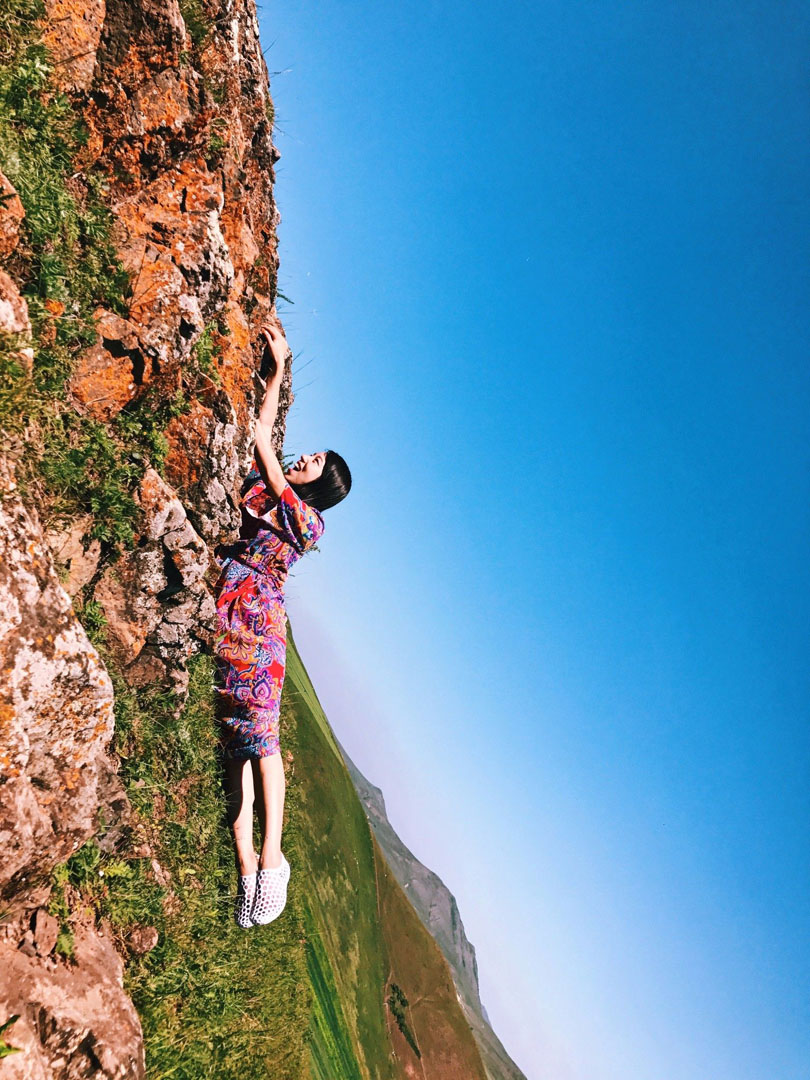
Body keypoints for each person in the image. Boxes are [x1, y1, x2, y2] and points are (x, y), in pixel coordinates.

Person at [211, 322, 352, 928]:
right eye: (310, 453)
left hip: (260, 620)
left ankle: (272, 854)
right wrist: (278, 368)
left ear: (320, 484)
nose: (304, 458)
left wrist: (276, 386)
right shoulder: (272, 493)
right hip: (232, 607)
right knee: (239, 739)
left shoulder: (309, 523)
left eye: (314, 461)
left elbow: (266, 444)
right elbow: (266, 434)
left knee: (262, 740)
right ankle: (247, 854)